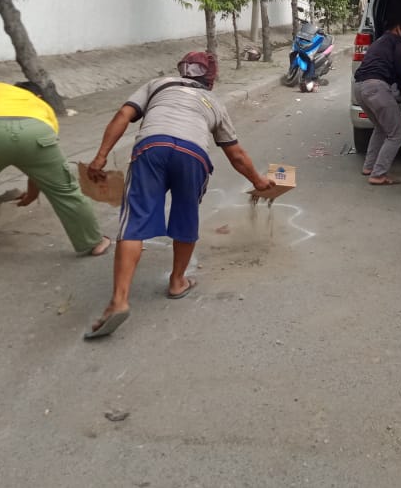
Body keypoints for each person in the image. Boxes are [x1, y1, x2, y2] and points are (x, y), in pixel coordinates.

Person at [85, 52, 274, 338]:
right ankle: (177, 281)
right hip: (192, 155)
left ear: (181, 71)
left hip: (151, 147)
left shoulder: (158, 84)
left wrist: (100, 157)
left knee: (135, 222)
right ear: (210, 79)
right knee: (186, 217)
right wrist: (259, 182)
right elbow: (235, 154)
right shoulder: (215, 104)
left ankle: (119, 301)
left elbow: (124, 115)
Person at [0, 81, 110, 273]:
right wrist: (32, 194)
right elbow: (40, 169)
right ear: (37, 96)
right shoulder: (43, 107)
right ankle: (93, 243)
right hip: (36, 131)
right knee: (65, 190)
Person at [353, 21, 401, 185]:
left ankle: (369, 167)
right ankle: (378, 175)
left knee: (381, 127)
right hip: (376, 87)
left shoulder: (377, 41)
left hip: (359, 88)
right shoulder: (397, 40)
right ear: (398, 27)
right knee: (397, 133)